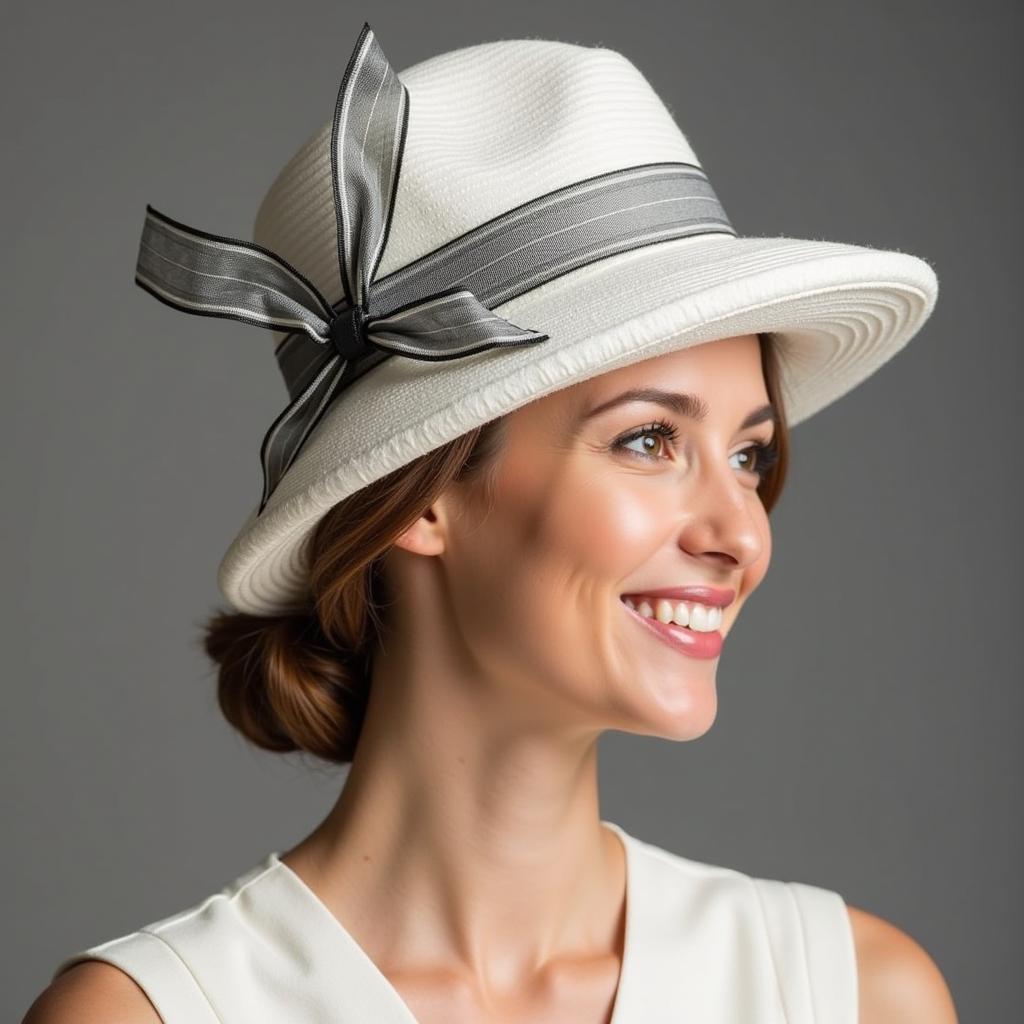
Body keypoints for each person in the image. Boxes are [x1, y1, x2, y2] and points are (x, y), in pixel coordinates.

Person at [23, 21, 957, 1024]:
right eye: (648, 440)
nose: (742, 535)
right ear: (422, 494)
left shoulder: (853, 995)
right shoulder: (155, 1014)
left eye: (749, 455)